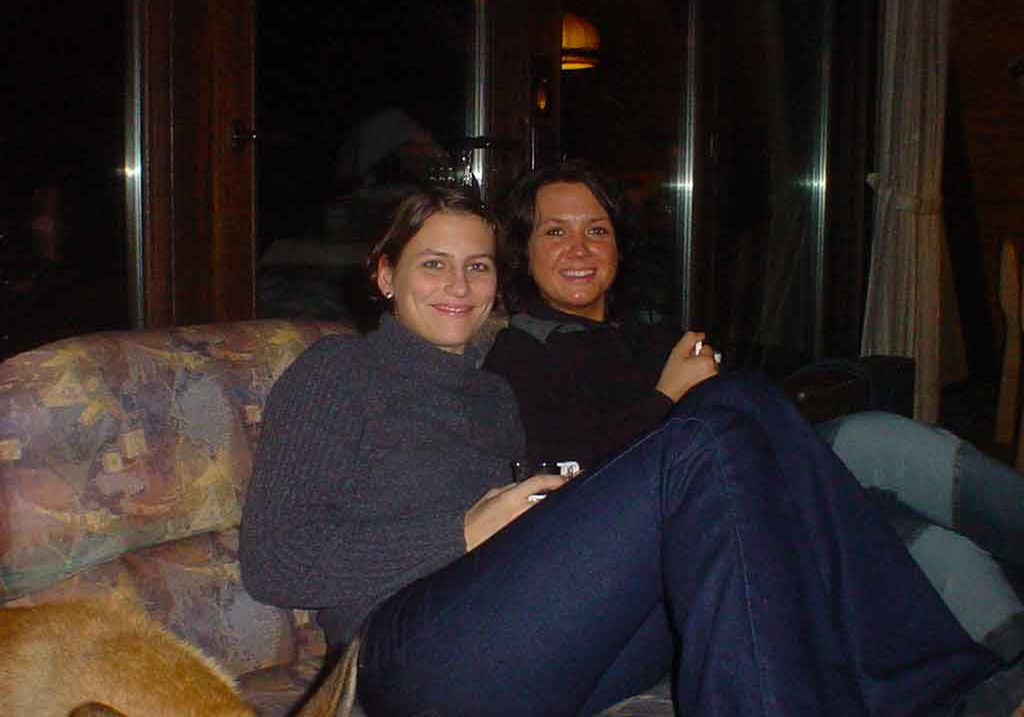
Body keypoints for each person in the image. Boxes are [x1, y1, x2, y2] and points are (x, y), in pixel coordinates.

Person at [240, 186, 1010, 716]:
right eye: (432, 263)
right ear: (384, 275)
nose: (459, 285)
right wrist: (463, 531)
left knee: (742, 400)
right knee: (709, 432)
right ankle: (933, 681)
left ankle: (935, 688)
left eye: (477, 265)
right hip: (407, 658)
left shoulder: (492, 394)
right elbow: (274, 561)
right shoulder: (338, 370)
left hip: (529, 646)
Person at [483, 158, 1024, 662]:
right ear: (525, 251)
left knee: (940, 548)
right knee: (879, 443)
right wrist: (667, 396)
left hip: (749, 486)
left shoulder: (646, 331)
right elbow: (573, 482)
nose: (580, 249)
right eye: (555, 232)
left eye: (597, 230)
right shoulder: (521, 353)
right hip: (691, 533)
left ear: (619, 247)